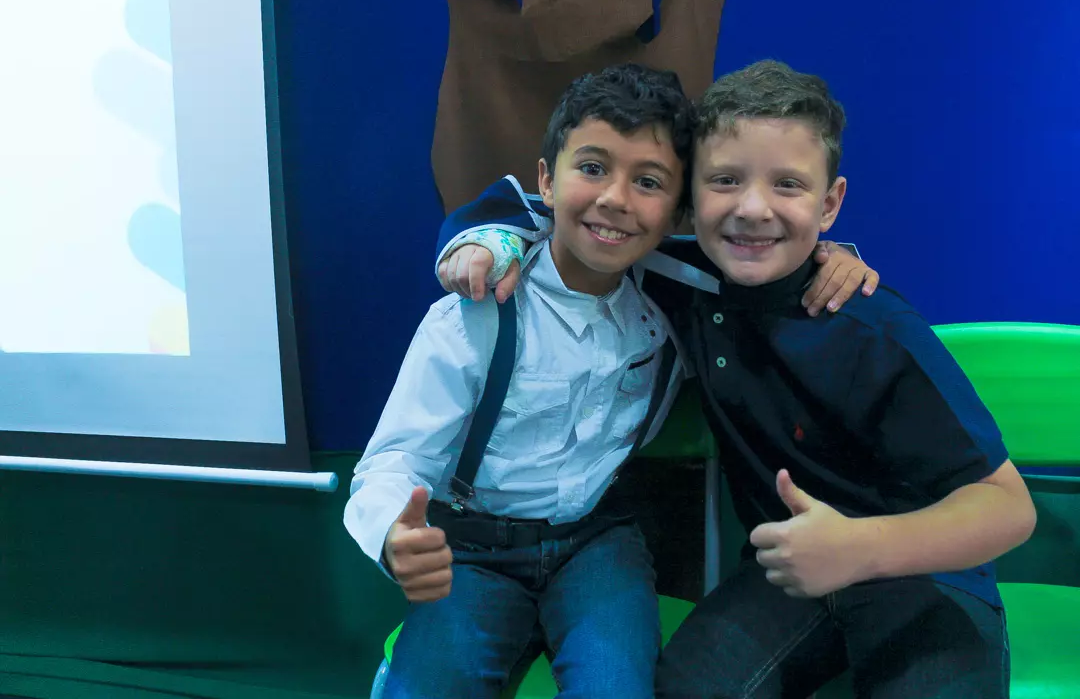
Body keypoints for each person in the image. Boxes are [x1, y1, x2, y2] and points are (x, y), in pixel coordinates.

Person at [434, 59, 1036, 697]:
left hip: (922, 573)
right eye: (725, 180)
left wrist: (859, 548)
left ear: (830, 204)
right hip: (785, 574)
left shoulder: (874, 328)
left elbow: (1008, 507)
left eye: (788, 185)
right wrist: (481, 242)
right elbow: (545, 209)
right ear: (689, 197)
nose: (752, 208)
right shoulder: (675, 278)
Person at [347, 63, 697, 699]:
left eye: (648, 182)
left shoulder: (672, 314)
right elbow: (394, 459)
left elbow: (764, 270)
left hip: (595, 543)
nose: (616, 198)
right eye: (592, 168)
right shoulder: (479, 310)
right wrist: (394, 529)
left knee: (617, 688)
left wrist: (836, 260)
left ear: (676, 211)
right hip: (473, 546)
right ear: (546, 181)